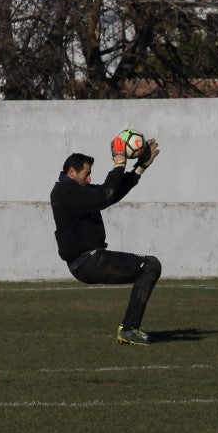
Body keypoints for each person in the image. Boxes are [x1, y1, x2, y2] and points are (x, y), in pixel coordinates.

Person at [51, 135, 162, 345]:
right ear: (72, 172)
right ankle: (129, 329)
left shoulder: (77, 190)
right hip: (87, 261)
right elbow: (105, 194)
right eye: (87, 174)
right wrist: (119, 164)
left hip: (91, 259)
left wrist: (140, 167)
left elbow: (111, 194)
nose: (89, 178)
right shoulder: (64, 192)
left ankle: (129, 329)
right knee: (150, 266)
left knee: (150, 266)